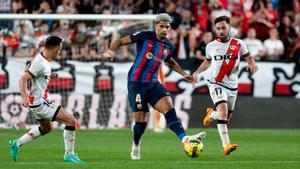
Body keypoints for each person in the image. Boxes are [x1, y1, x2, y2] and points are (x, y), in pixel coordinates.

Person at [101, 13, 206, 160]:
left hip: (153, 83)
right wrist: (111, 50)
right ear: (156, 26)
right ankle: (136, 145)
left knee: (169, 107)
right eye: (161, 26)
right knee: (140, 123)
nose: (164, 29)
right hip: (136, 83)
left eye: (167, 27)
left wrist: (184, 74)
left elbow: (169, 61)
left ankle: (185, 139)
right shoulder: (144, 36)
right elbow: (119, 41)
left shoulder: (168, 45)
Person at [8, 36, 84, 163]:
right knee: (71, 121)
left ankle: (16, 143)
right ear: (55, 49)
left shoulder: (43, 58)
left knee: (46, 129)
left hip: (36, 102)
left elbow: (33, 72)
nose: (60, 52)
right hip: (40, 102)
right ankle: (69, 155)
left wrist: (50, 75)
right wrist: (24, 98)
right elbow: (23, 79)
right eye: (59, 49)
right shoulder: (40, 63)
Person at [192, 16, 258, 156]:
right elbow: (207, 62)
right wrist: (197, 72)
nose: (220, 31)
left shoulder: (239, 44)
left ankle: (212, 114)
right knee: (222, 109)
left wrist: (251, 62)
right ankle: (226, 145)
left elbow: (248, 56)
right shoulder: (210, 46)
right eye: (218, 28)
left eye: (223, 28)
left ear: (229, 28)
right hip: (216, 83)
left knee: (225, 117)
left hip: (232, 86)